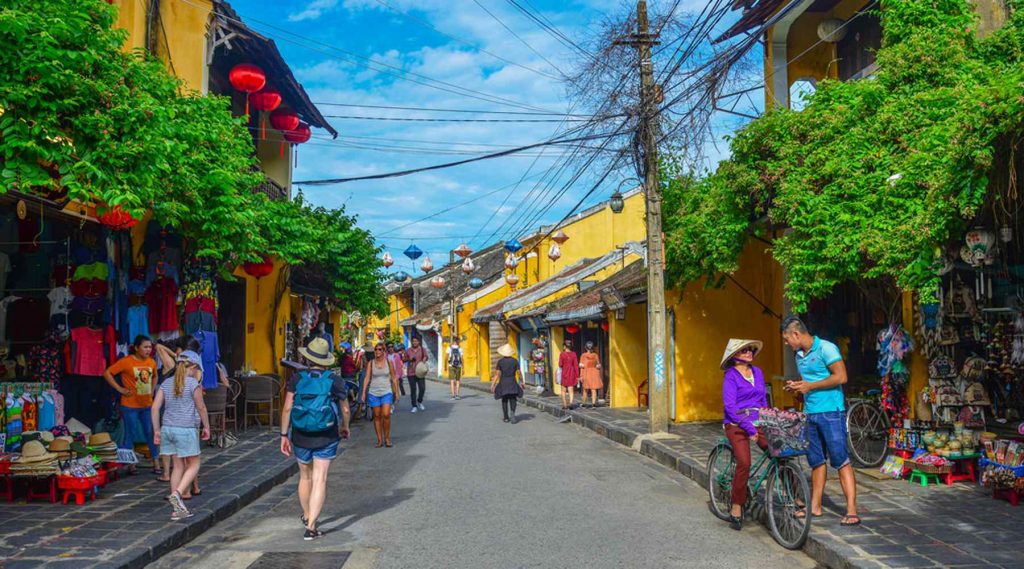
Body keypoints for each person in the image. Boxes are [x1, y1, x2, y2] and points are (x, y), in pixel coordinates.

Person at [781, 316, 860, 526]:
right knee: (816, 461)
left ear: (796, 334)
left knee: (840, 460)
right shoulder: (799, 355)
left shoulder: (827, 348)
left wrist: (810, 386)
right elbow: (811, 381)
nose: (787, 344)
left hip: (831, 412)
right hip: (810, 412)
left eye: (787, 339)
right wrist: (798, 387)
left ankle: (851, 509)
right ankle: (814, 506)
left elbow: (841, 377)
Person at [279, 337, 347, 541]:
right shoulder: (334, 380)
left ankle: (307, 514)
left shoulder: (297, 378)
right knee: (320, 479)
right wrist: (345, 426)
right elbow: (344, 407)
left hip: (300, 433)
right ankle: (311, 527)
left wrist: (283, 434)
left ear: (308, 358)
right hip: (326, 434)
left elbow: (287, 408)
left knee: (305, 477)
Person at [151, 350, 210, 521]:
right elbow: (201, 407)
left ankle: (178, 509)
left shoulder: (166, 383)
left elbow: (155, 408)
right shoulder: (193, 384)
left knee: (177, 467)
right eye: (196, 368)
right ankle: (177, 494)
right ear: (191, 367)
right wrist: (206, 427)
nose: (196, 371)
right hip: (185, 429)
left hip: (168, 428)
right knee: (194, 464)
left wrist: (156, 430)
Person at [720, 338, 768, 531]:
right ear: (734, 356)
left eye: (751, 350)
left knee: (779, 452)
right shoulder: (730, 376)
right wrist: (749, 429)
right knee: (744, 462)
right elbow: (730, 407)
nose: (749, 353)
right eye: (744, 350)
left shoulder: (758, 372)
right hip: (737, 423)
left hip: (758, 421)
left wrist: (769, 418)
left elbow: (763, 399)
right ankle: (737, 506)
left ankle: (797, 497)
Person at [103, 335, 159, 475]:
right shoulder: (126, 362)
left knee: (150, 432)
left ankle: (156, 463)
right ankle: (131, 465)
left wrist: (152, 391)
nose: (148, 350)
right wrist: (119, 389)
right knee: (130, 433)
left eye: (150, 347)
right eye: (145, 347)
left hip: (147, 404)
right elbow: (107, 373)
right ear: (136, 348)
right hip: (129, 405)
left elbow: (155, 376)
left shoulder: (151, 362)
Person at [360, 342, 400, 448]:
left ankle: (387, 439)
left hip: (386, 391)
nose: (377, 351)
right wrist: (363, 392)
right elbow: (367, 378)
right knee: (377, 416)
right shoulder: (371, 363)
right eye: (376, 349)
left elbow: (394, 377)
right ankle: (379, 440)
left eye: (380, 349)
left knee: (386, 414)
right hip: (373, 392)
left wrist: (397, 392)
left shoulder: (389, 362)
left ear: (384, 351)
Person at [491, 344, 523, 423]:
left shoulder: (500, 362)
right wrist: (522, 382)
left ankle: (506, 417)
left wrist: (493, 384)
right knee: (513, 399)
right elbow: (519, 373)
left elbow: (497, 374)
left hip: (503, 382)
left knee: (504, 399)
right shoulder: (515, 361)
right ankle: (512, 412)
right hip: (512, 381)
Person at [403, 336, 428, 412]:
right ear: (412, 342)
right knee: (413, 390)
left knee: (422, 388)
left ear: (419, 342)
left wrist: (424, 359)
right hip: (411, 372)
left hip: (420, 372)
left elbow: (426, 356)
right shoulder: (408, 350)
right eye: (413, 341)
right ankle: (414, 406)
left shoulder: (423, 350)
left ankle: (419, 401)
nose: (415, 342)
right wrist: (409, 359)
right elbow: (403, 359)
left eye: (416, 341)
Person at [557, 339, 579, 410]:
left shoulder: (562, 354)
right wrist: (577, 375)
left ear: (565, 346)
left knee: (563, 390)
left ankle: (564, 404)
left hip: (564, 373)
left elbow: (560, 365)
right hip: (571, 373)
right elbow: (576, 365)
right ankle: (571, 403)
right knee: (571, 389)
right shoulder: (574, 354)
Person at [579, 342, 602, 408]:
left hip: (586, 372)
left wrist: (581, 376)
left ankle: (583, 403)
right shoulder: (595, 355)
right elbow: (598, 365)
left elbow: (582, 366)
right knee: (593, 388)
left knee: (585, 389)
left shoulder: (583, 355)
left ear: (586, 347)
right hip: (594, 372)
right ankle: (593, 403)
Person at [389, 343, 405, 413]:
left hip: (395, 376)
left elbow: (399, 367)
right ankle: (390, 405)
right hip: (388, 376)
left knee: (394, 392)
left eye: (392, 347)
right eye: (389, 347)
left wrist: (399, 376)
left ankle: (392, 403)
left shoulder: (397, 356)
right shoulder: (385, 356)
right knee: (390, 392)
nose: (390, 348)